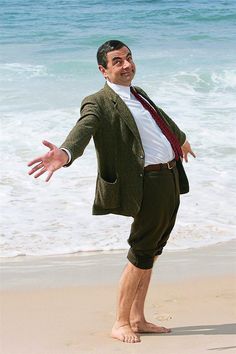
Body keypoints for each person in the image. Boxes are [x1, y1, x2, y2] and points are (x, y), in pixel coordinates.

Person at [28, 40, 195, 344]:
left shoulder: (138, 94)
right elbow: (83, 130)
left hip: (169, 179)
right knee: (140, 253)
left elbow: (160, 120)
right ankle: (120, 322)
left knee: (152, 253)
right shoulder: (98, 102)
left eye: (129, 58)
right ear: (103, 70)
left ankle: (138, 318)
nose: (127, 65)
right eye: (117, 61)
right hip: (144, 185)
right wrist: (64, 153)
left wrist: (180, 141)